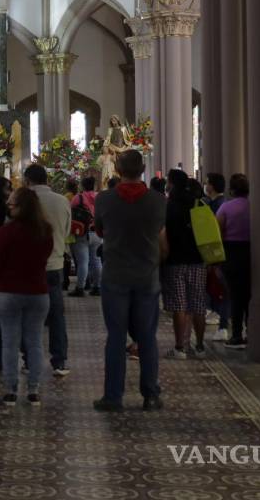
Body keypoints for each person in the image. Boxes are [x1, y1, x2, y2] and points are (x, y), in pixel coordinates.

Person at [92, 150, 168, 412]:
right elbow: (160, 233)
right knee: (147, 336)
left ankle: (113, 396)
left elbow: (99, 230)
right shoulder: (158, 201)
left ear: (117, 169)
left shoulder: (105, 199)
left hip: (115, 275)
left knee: (115, 336)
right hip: (147, 276)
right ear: (143, 168)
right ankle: (151, 395)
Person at [0, 188, 54, 406]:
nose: (9, 207)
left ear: (21, 207)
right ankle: (34, 389)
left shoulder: (6, 232)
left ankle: (11, 389)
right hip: (38, 292)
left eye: (12, 204)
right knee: (35, 342)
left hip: (8, 291)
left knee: (9, 342)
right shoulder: (45, 231)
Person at [23, 164, 72, 377]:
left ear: (28, 180)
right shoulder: (62, 201)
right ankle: (59, 361)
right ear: (47, 180)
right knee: (56, 315)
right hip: (55, 264)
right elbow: (67, 230)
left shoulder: (23, 201)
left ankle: (28, 360)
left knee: (29, 314)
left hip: (28, 266)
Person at [161, 169, 208, 359]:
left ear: (171, 183)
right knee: (198, 304)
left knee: (179, 304)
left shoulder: (169, 206)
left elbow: (163, 234)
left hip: (175, 260)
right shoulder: (198, 203)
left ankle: (180, 347)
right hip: (197, 259)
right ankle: (200, 346)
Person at [216, 174, 251, 350]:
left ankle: (236, 334)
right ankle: (252, 332)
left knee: (236, 295)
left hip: (231, 252)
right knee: (250, 294)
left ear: (231, 190)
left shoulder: (226, 207)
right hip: (252, 251)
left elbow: (218, 229)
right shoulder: (254, 207)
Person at [202, 172, 231, 341]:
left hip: (218, 250)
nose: (205, 185)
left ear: (211, 186)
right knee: (215, 284)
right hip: (216, 250)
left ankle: (223, 322)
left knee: (222, 286)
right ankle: (215, 311)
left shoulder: (220, 205)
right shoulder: (214, 203)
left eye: (206, 182)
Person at [69, 176, 102, 299]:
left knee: (83, 261)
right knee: (96, 260)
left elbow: (70, 210)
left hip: (82, 232)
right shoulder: (99, 197)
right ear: (94, 185)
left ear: (82, 185)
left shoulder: (79, 197)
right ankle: (97, 287)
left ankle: (80, 287)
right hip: (97, 232)